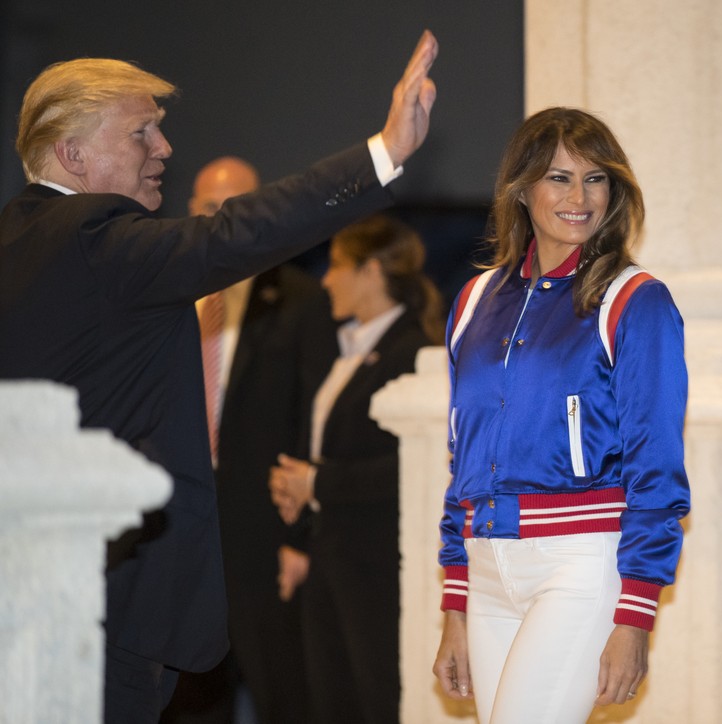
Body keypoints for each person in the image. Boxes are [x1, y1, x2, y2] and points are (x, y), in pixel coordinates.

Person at [0, 30, 437, 724]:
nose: (164, 149)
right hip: (100, 605)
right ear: (73, 153)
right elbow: (233, 234)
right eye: (142, 132)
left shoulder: (18, 240)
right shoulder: (93, 237)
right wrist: (382, 152)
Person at [431, 107, 690, 724]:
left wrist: (635, 616)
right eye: (559, 178)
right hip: (488, 567)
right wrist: (456, 606)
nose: (580, 197)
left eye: (596, 178)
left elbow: (656, 467)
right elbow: (461, 462)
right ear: (521, 189)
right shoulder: (474, 300)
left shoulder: (635, 300)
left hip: (580, 566)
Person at [160, 157, 334, 723]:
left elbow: (317, 421)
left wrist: (300, 536)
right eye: (211, 208)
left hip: (265, 533)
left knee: (279, 687)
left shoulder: (302, 300)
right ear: (191, 212)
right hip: (176, 527)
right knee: (185, 691)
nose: (223, 220)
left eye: (237, 207)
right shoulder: (164, 297)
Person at [268, 213, 443, 724]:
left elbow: (412, 467)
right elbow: (331, 447)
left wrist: (316, 482)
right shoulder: (350, 346)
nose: (325, 279)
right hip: (332, 554)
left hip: (375, 565)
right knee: (333, 702)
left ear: (371, 272)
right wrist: (299, 494)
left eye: (338, 266)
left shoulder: (415, 349)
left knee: (377, 700)